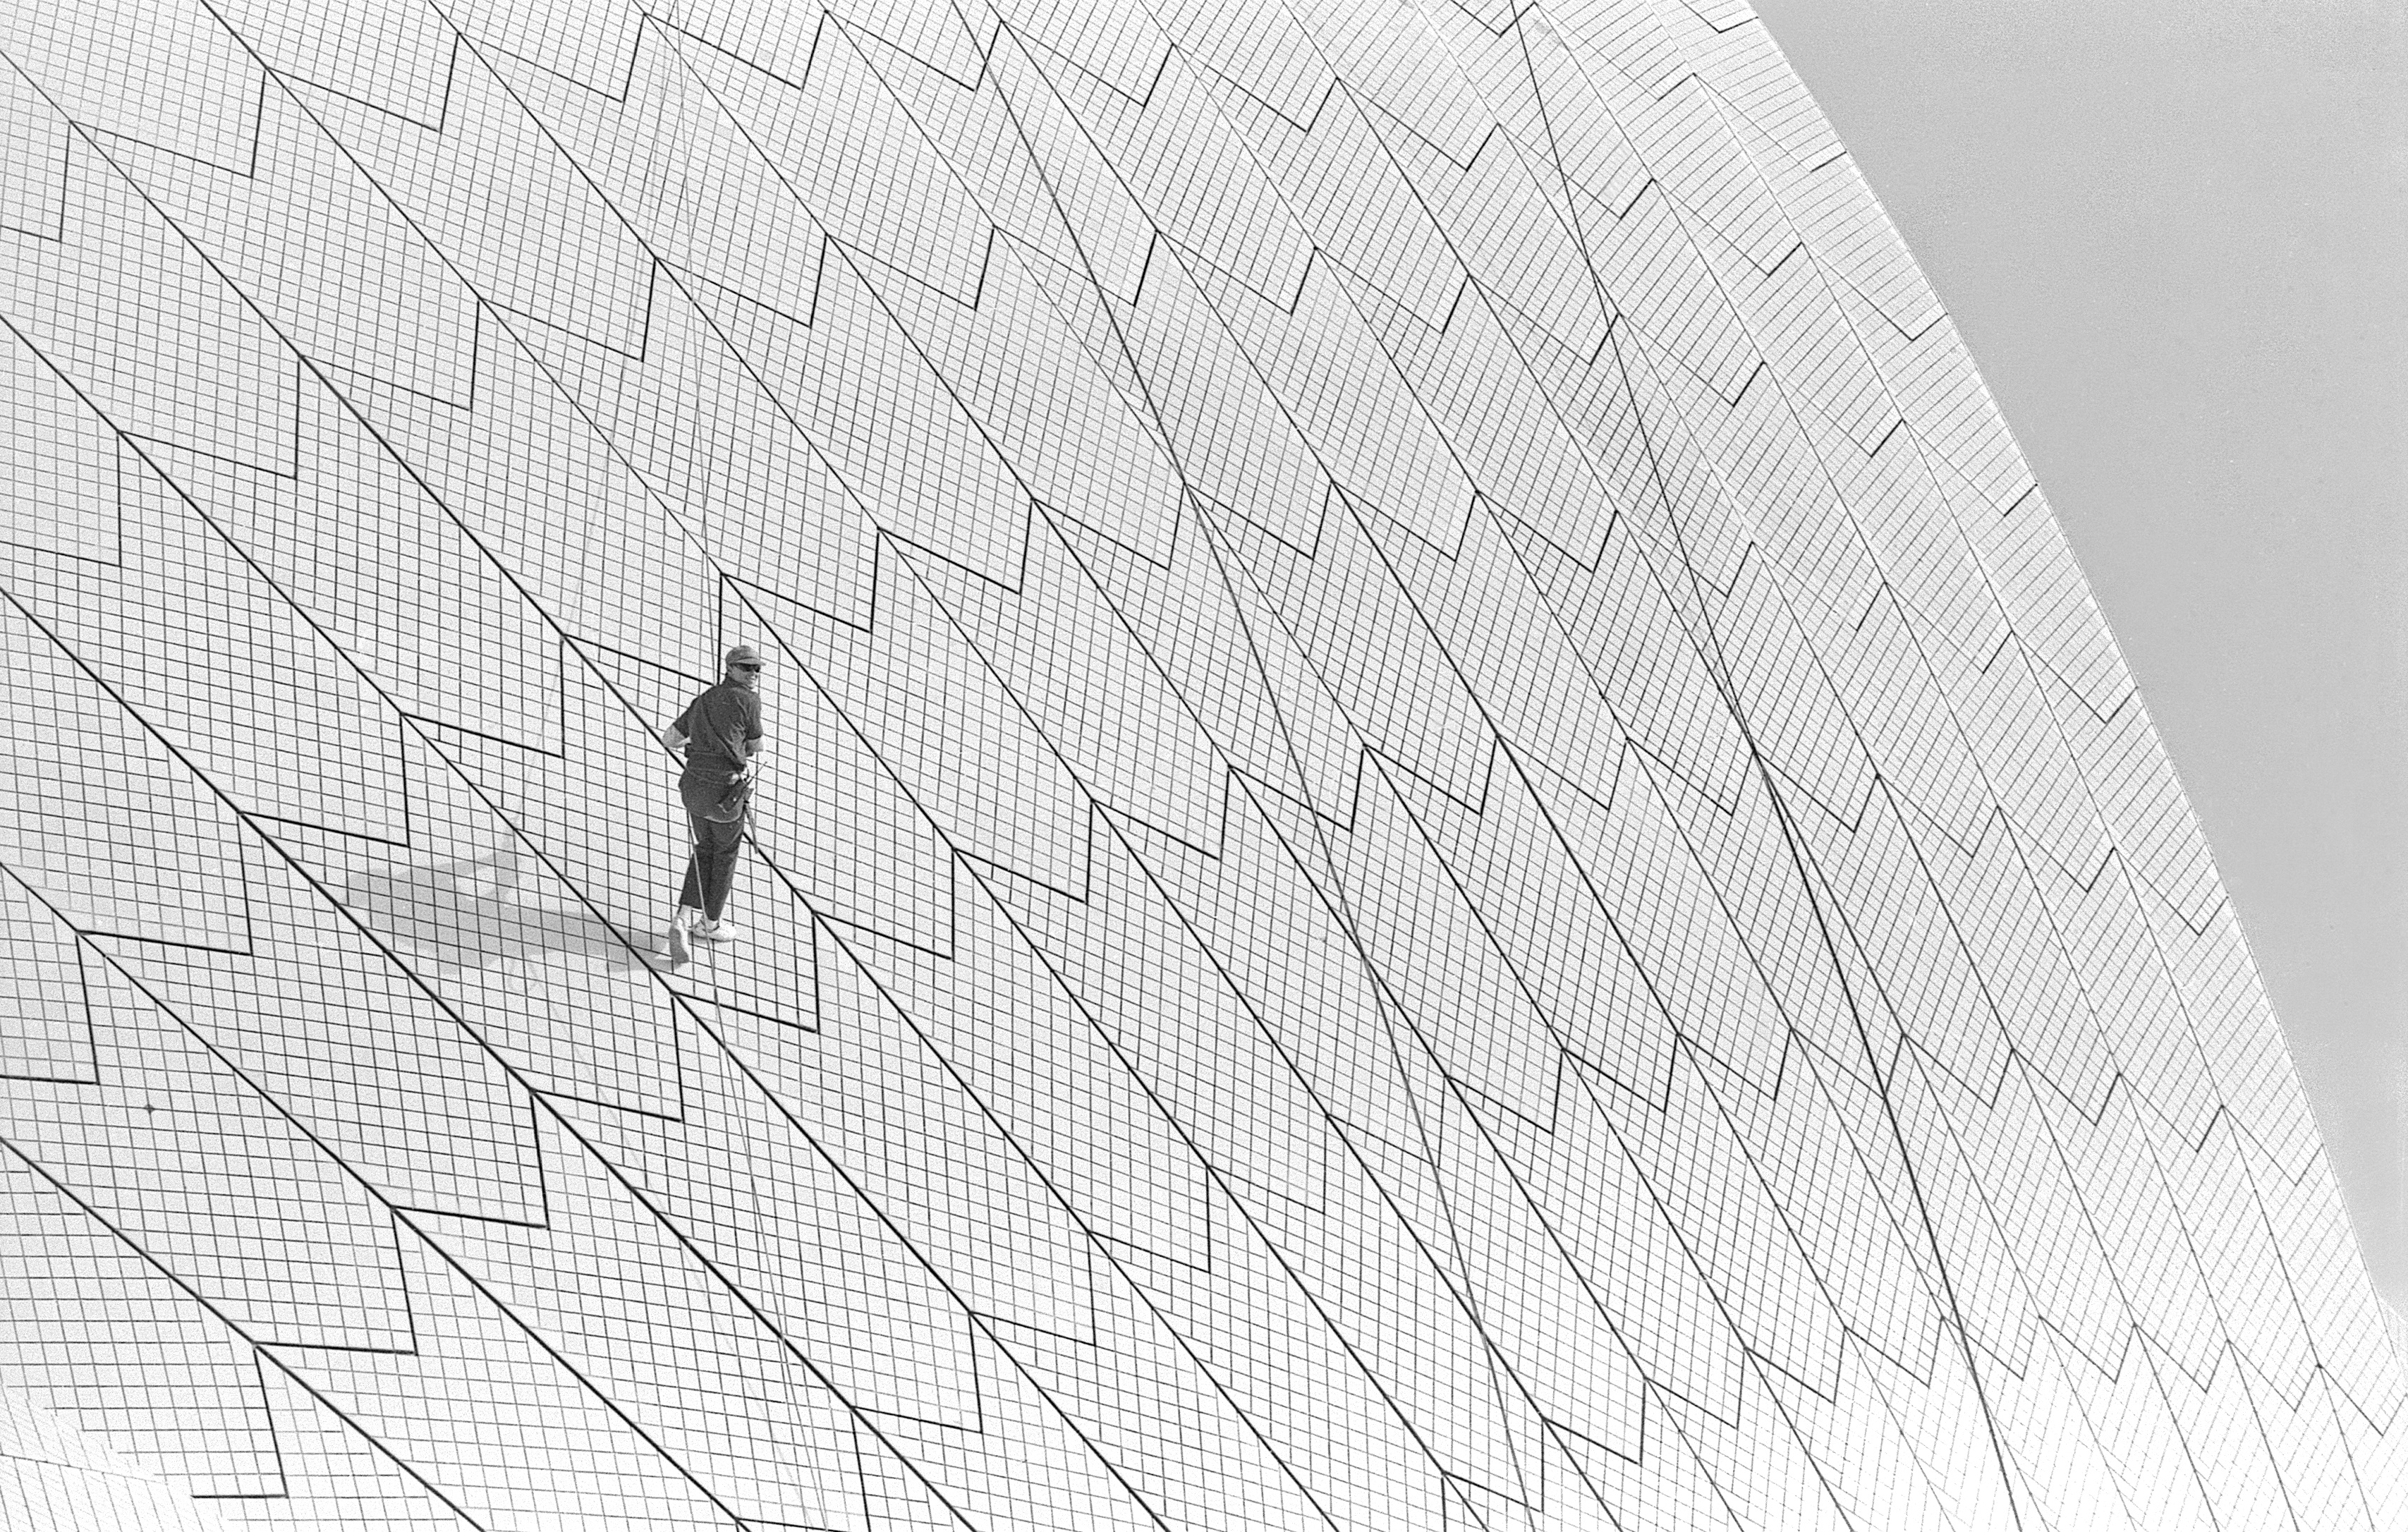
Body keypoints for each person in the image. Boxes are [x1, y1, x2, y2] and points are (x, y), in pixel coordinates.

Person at [662, 644, 767, 964]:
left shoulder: (704, 700)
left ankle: (682, 917)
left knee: (705, 848)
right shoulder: (748, 700)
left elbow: (669, 738)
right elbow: (756, 746)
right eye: (746, 668)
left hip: (693, 789)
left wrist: (697, 742)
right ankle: (709, 924)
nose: (753, 674)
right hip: (725, 794)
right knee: (724, 855)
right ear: (731, 669)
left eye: (757, 669)